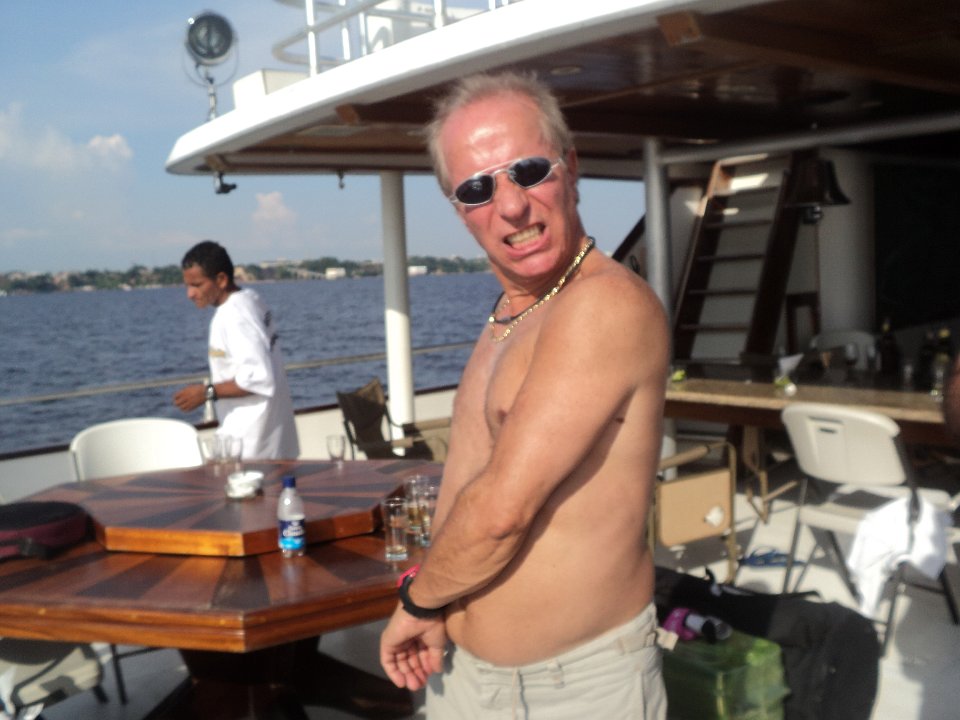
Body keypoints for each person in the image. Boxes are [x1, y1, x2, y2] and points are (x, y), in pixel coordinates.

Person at [379, 72, 670, 718]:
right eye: (478, 188)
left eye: (529, 171)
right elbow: (463, 480)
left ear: (571, 168)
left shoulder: (602, 305)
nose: (510, 206)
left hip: (572, 690)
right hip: (465, 675)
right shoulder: (511, 314)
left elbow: (501, 513)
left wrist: (416, 603)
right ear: (459, 209)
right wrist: (431, 599)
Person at [173, 240, 300, 460]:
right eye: (187, 286)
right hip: (267, 439)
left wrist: (205, 393)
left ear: (221, 280)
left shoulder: (234, 316)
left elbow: (259, 377)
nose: (190, 294)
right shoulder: (250, 299)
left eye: (197, 285)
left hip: (251, 444)